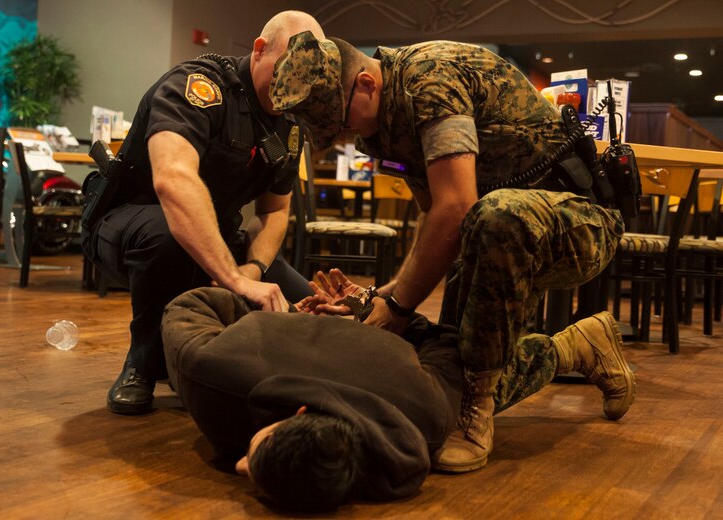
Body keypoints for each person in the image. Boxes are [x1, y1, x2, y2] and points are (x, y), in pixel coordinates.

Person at [269, 32, 635, 472]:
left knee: (495, 219)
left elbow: (457, 205)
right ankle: (577, 347)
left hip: (577, 222)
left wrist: (400, 306)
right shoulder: (378, 121)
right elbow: (438, 222)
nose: (346, 135)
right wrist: (379, 297)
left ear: (366, 83)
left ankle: (476, 413)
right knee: (449, 370)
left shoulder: (430, 80)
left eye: (342, 123)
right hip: (496, 236)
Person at [161, 285, 634, 512]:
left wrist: (273, 313)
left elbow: (187, 305)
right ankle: (571, 346)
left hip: (336, 334)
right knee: (464, 392)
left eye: (247, 455)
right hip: (355, 335)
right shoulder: (423, 411)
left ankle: (571, 346)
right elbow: (448, 345)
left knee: (463, 395)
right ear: (301, 414)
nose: (239, 465)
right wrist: (378, 316)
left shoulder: (213, 374)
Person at [80, 12, 325, 416]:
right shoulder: (196, 87)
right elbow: (172, 182)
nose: (293, 92)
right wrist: (232, 277)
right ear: (260, 50)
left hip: (212, 236)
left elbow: (276, 211)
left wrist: (253, 270)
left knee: (308, 312)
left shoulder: (289, 123)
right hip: (130, 223)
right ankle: (143, 362)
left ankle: (247, 369)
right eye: (287, 73)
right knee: (167, 234)